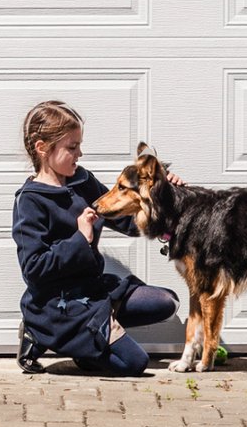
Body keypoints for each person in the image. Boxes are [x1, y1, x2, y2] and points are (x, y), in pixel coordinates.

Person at [12, 100, 180, 376]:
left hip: (94, 290)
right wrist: (80, 237)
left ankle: (93, 336)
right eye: (72, 147)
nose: (80, 153)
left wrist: (162, 196)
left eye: (79, 144)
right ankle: (42, 331)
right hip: (60, 304)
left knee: (166, 302)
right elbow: (34, 269)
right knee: (135, 363)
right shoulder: (30, 201)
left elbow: (125, 220)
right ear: (42, 148)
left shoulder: (81, 180)